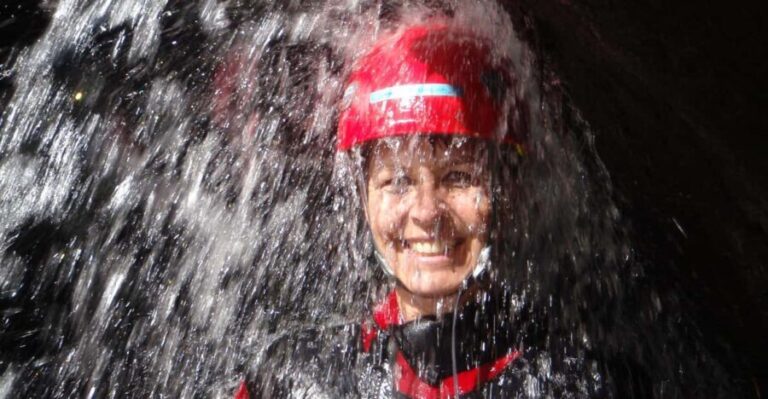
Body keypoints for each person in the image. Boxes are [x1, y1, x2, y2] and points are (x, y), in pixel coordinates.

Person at [234, 21, 602, 398]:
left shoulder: (569, 383)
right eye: (397, 181)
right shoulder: (292, 378)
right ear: (363, 198)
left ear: (508, 193)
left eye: (458, 177)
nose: (426, 212)